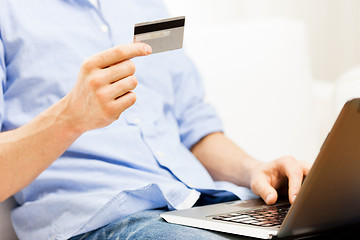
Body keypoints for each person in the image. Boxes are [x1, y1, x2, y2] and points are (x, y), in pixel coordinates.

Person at [0, 1, 310, 239]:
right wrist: (70, 117)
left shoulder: (145, 5)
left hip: (207, 206)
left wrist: (254, 170)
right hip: (105, 220)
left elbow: (192, 127)